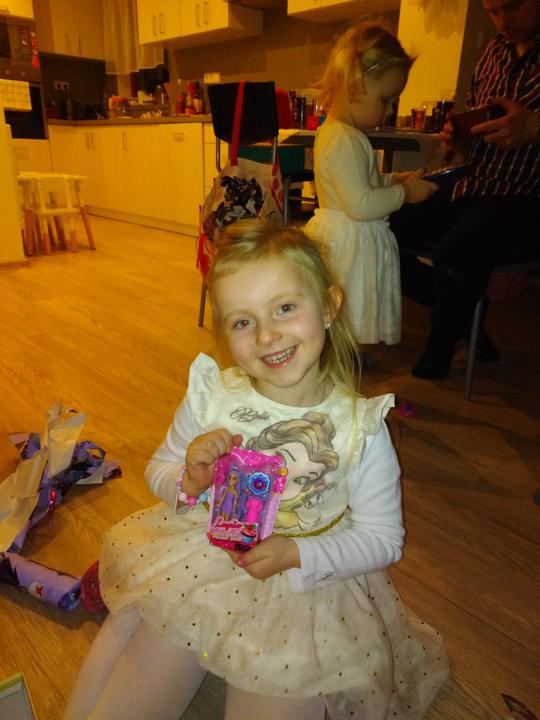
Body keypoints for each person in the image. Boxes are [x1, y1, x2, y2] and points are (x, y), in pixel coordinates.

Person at [63, 221, 448, 720]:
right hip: (203, 560)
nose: (267, 335)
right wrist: (190, 480)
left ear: (329, 306)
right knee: (136, 671)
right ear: (225, 332)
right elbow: (160, 470)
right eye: (243, 321)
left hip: (307, 586)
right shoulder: (213, 397)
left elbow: (383, 539)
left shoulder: (361, 428)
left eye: (285, 308)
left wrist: (296, 553)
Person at [389, 0, 540, 379]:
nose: (502, 21)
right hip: (472, 185)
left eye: (512, 7)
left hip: (527, 196)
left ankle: (442, 341)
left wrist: (535, 127)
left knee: (459, 249)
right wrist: (458, 136)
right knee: (382, 227)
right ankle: (464, 312)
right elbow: (476, 117)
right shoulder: (492, 51)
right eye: (492, 11)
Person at [304, 21, 437, 348]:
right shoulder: (344, 139)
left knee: (345, 307)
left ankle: (345, 352)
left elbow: (361, 183)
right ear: (355, 86)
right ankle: (342, 355)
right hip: (350, 240)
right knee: (348, 304)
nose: (390, 111)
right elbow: (360, 205)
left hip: (347, 234)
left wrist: (393, 180)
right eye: (386, 100)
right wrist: (405, 194)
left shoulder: (342, 134)